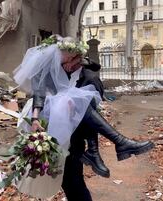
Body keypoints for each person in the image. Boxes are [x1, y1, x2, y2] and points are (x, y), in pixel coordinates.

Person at [13, 35, 154, 201]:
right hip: (48, 119)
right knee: (71, 180)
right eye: (72, 62)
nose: (74, 66)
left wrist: (81, 61)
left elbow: (95, 66)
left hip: (73, 127)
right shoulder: (43, 69)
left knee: (74, 179)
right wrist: (35, 119)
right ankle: (111, 146)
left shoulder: (78, 66)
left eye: (77, 61)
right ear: (61, 58)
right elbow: (39, 96)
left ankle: (100, 150)